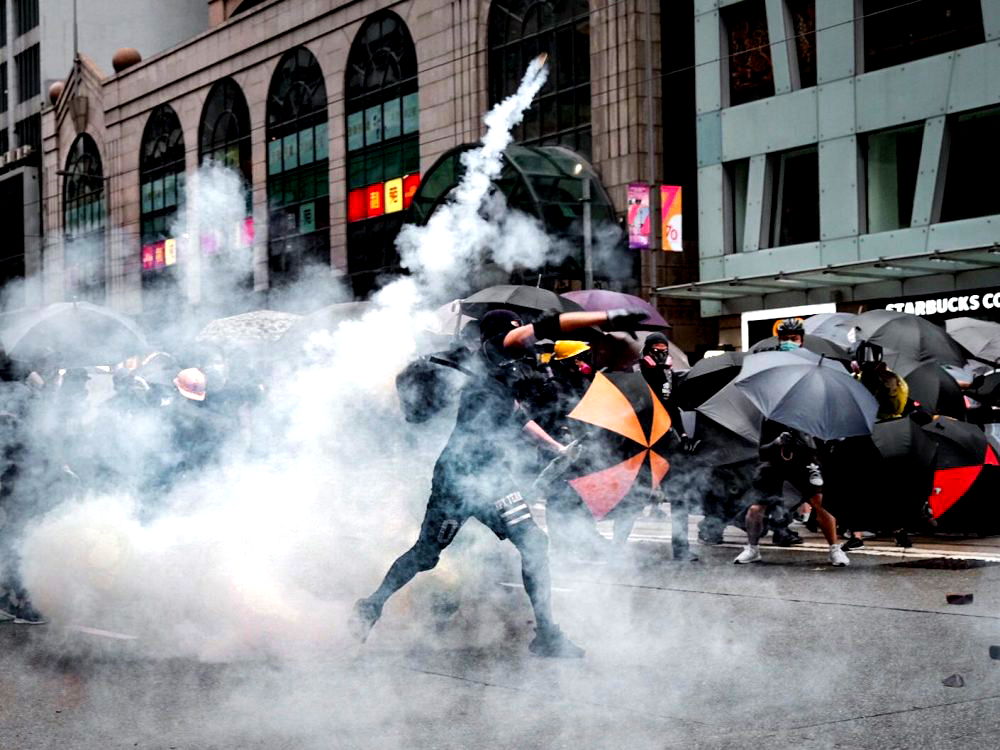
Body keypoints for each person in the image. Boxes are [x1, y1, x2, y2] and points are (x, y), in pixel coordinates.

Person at [351, 306, 648, 657]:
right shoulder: (494, 353)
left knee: (534, 545)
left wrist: (555, 448)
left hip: (491, 478)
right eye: (518, 330)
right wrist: (607, 317)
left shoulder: (501, 373)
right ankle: (371, 605)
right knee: (426, 554)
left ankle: (548, 636)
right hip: (458, 477)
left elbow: (518, 415)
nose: (525, 335)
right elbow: (538, 329)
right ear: (503, 334)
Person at [734, 418, 850, 566]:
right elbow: (762, 450)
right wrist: (776, 442)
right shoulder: (770, 417)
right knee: (756, 508)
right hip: (773, 464)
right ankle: (752, 549)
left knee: (820, 503)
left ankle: (835, 549)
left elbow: (820, 446)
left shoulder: (813, 416)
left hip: (805, 462)